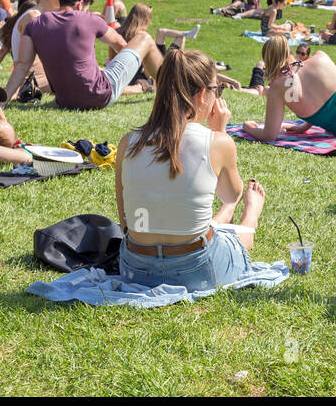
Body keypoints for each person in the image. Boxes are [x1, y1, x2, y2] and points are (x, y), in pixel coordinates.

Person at [114, 49, 267, 290]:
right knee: (240, 235)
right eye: (217, 90)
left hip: (135, 268)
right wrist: (219, 132)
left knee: (191, 222)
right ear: (204, 94)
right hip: (196, 268)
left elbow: (125, 222)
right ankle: (249, 215)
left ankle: (219, 220)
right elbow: (230, 194)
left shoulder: (128, 142)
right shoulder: (217, 142)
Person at [4, 0, 165, 111]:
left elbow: (21, 66)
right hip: (99, 95)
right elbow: (121, 44)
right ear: (80, 4)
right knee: (145, 38)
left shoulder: (34, 24)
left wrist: (2, 101)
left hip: (64, 101)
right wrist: (136, 66)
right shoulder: (88, 18)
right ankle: (168, 86)